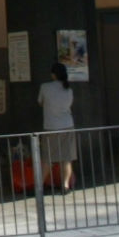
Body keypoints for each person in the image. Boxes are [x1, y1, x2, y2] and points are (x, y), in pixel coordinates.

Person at [38, 60, 78, 193]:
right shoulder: (69, 90)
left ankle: (40, 185)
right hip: (67, 125)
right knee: (66, 157)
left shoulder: (45, 87)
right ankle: (65, 185)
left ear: (53, 74)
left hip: (50, 126)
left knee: (47, 157)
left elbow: (40, 102)